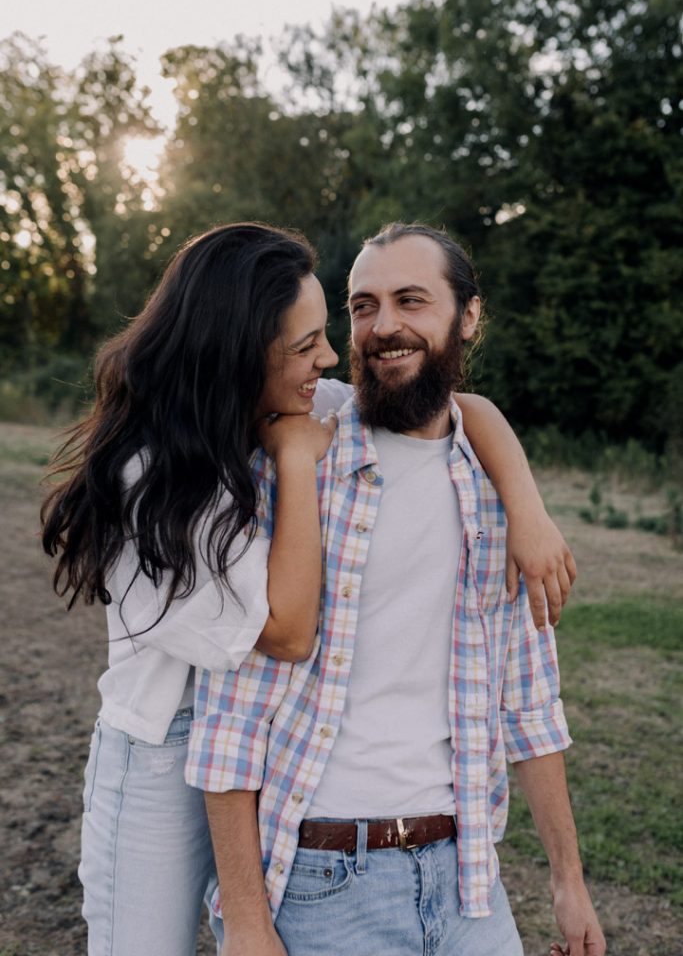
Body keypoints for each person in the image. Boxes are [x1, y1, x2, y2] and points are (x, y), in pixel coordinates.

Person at [42, 220, 574, 956]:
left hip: (274, 749)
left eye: (326, 333)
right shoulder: (153, 480)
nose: (328, 358)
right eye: (304, 345)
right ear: (237, 350)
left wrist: (525, 503)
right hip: (166, 746)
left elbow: (462, 409)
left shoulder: (295, 406)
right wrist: (293, 464)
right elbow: (288, 635)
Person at [186, 224, 605, 956]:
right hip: (324, 884)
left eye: (411, 300)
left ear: (467, 316)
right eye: (363, 305)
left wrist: (567, 880)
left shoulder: (491, 487)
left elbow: (529, 701)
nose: (384, 326)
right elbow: (230, 715)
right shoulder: (296, 460)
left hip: (468, 877)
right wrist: (248, 922)